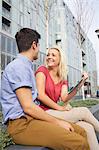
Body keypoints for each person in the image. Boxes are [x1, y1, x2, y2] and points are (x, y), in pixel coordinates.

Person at [1, 28, 90, 150]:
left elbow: (63, 97)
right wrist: (58, 122)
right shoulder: (19, 66)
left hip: (33, 119)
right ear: (34, 45)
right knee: (80, 143)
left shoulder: (26, 66)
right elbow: (28, 106)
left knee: (81, 131)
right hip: (21, 125)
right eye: (39, 46)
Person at [35, 45, 99, 150]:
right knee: (84, 111)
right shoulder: (42, 70)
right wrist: (60, 108)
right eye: (48, 55)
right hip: (43, 112)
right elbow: (40, 95)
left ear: (60, 59)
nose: (49, 57)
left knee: (88, 128)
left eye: (53, 55)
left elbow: (65, 98)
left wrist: (81, 83)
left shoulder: (62, 78)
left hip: (55, 111)